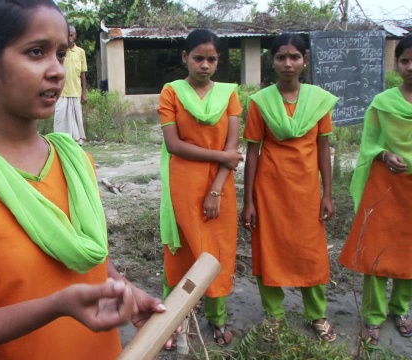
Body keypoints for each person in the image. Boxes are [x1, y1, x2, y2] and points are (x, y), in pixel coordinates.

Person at [0, 1, 165, 359]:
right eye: (35, 52)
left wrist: (126, 290)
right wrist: (56, 306)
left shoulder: (76, 162)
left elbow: (92, 263)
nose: (57, 70)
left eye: (60, 54)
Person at [241, 33, 339, 343]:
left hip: (307, 192)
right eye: (281, 57)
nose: (288, 63)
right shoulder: (261, 102)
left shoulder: (319, 101)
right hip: (269, 191)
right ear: (272, 62)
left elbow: (323, 148)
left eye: (294, 56)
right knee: (269, 251)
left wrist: (327, 193)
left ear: (305, 61)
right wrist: (249, 201)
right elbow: (252, 152)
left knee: (311, 254)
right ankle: (274, 316)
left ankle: (317, 315)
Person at [159, 29, 243, 347]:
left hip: (220, 184)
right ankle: (171, 321)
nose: (204, 65)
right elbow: (174, 145)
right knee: (182, 251)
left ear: (218, 61)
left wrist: (216, 190)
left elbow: (233, 149)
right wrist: (222, 155)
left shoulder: (229, 94)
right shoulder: (171, 92)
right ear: (185, 58)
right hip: (182, 182)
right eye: (198, 58)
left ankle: (217, 318)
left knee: (216, 251)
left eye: (211, 59)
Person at [338, 34, 412, 346]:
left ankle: (401, 309)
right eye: (405, 61)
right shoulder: (382, 103)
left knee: (409, 253)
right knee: (377, 253)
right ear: (396, 64)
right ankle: (372, 316)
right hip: (385, 185)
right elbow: (369, 143)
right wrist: (384, 154)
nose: (411, 67)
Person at [53, 24, 87, 145]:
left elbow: (83, 74)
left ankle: (77, 142)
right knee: (59, 119)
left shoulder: (80, 52)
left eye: (71, 35)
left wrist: (84, 93)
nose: (69, 38)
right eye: (67, 35)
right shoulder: (60, 52)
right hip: (61, 91)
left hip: (76, 91)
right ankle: (59, 142)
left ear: (75, 36)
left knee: (76, 120)